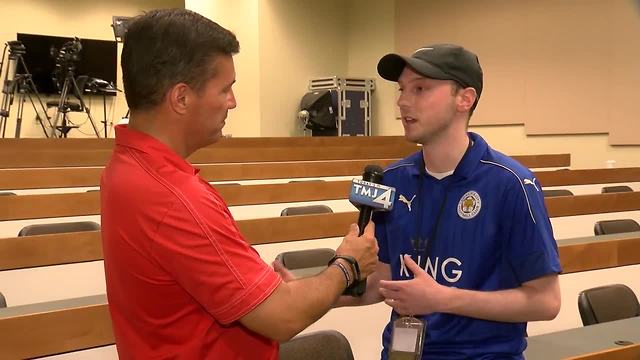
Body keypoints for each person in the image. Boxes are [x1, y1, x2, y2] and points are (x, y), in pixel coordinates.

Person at [100, 8, 378, 360]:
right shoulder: (174, 198)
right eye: (225, 89)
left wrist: (267, 291)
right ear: (181, 98)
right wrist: (348, 264)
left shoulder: (125, 166)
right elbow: (281, 317)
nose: (233, 101)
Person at [336, 44, 562, 359]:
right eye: (402, 90)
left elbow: (546, 302)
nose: (402, 101)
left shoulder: (511, 185)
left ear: (464, 99)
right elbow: (384, 280)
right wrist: (316, 292)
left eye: (420, 89)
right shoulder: (393, 179)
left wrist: (442, 299)